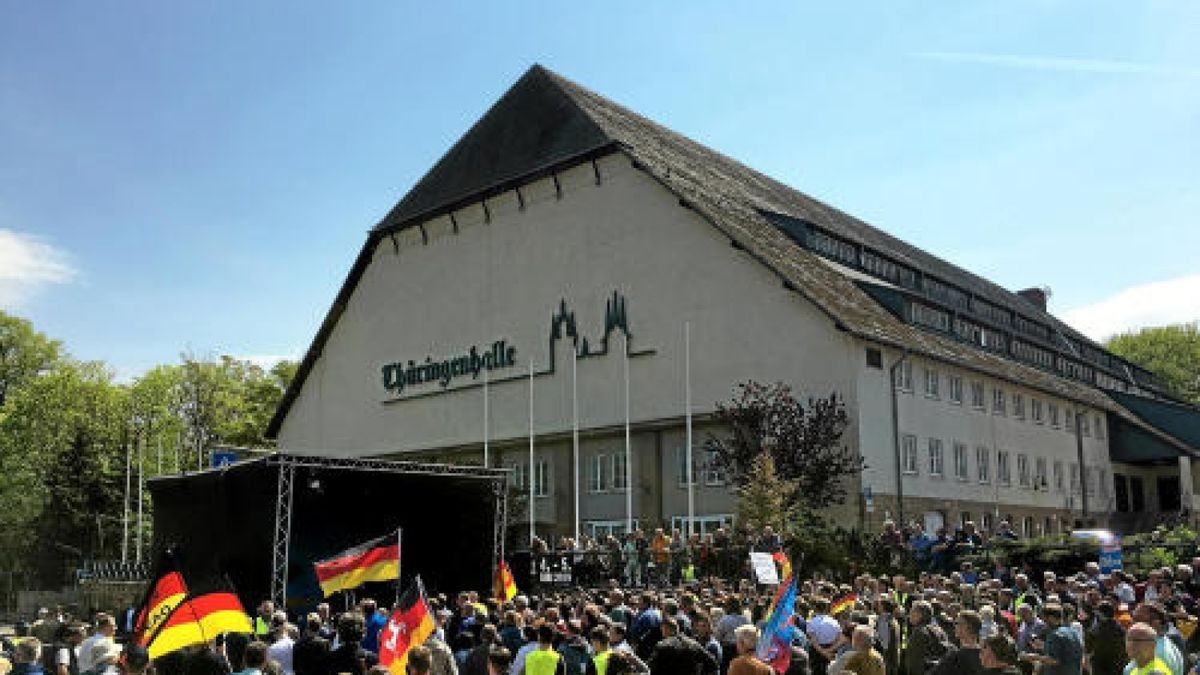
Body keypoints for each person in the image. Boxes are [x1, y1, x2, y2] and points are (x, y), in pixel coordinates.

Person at [1021, 604, 1082, 675]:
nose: (1043, 622)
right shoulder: (1073, 632)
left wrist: (1030, 657)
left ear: (1051, 618)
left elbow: (1054, 660)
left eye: (1044, 618)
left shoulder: (1055, 635)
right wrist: (1043, 646)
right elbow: (1065, 653)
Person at [647, 617, 717, 675]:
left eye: (662, 629)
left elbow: (650, 668)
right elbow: (712, 663)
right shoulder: (693, 644)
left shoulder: (661, 646)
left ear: (665, 629)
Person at [932, 609, 983, 675]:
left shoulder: (955, 656)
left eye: (957, 623)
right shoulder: (986, 655)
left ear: (969, 626)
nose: (955, 626)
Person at [902, 601, 947, 675]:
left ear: (920, 615)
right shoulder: (939, 630)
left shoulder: (920, 632)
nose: (909, 615)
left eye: (912, 612)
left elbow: (914, 662)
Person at [1086, 601, 1128, 675]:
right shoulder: (1120, 629)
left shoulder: (1096, 629)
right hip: (1117, 667)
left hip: (1100, 667)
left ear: (1101, 613)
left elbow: (1088, 648)